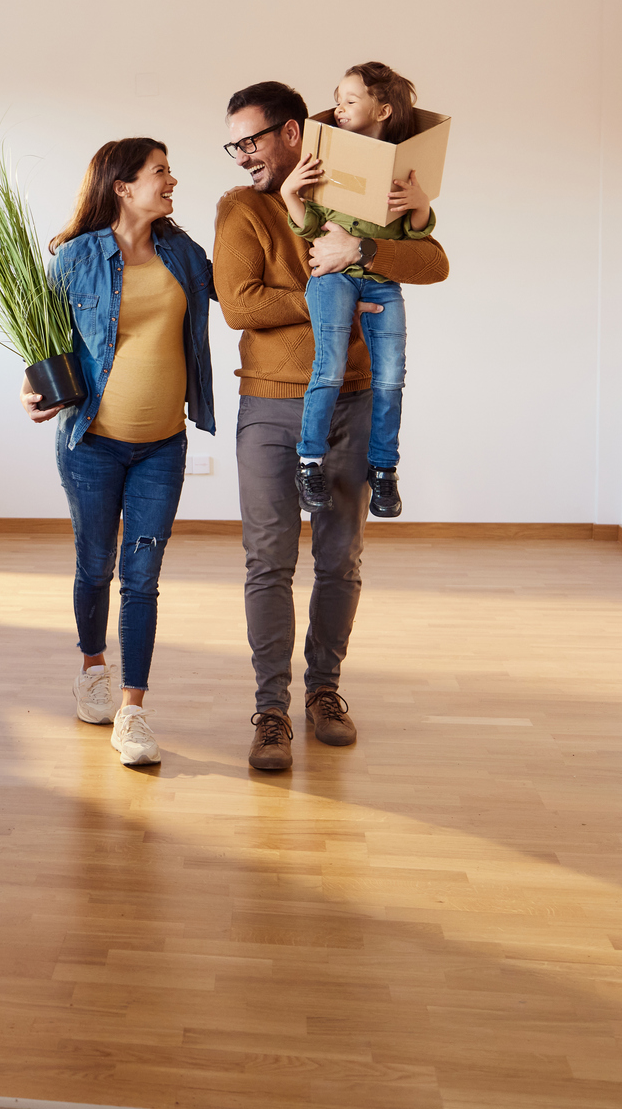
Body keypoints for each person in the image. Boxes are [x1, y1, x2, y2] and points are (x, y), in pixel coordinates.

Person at [214, 82, 449, 771]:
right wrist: (333, 298)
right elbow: (239, 303)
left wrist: (363, 255)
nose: (242, 156)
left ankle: (325, 692)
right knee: (269, 562)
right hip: (269, 407)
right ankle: (270, 709)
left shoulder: (361, 192)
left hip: (353, 402)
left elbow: (433, 260)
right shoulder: (241, 210)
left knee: (340, 559)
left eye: (251, 140)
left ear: (292, 134)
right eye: (235, 144)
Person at [20, 138, 216, 768]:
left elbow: (244, 297)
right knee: (93, 565)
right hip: (90, 444)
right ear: (124, 185)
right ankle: (92, 668)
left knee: (143, 578)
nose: (172, 180)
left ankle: (132, 709)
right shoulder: (75, 258)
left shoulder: (183, 255)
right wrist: (31, 390)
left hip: (162, 445)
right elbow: (42, 342)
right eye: (161, 171)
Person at [279, 62, 437, 520]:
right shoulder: (329, 154)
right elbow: (311, 228)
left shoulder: (402, 165)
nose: (339, 107)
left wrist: (422, 208)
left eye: (350, 100)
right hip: (331, 277)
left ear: (382, 110)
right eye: (338, 97)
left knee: (391, 377)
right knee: (328, 366)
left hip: (382, 284)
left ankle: (384, 470)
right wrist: (292, 194)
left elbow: (414, 240)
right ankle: (309, 462)